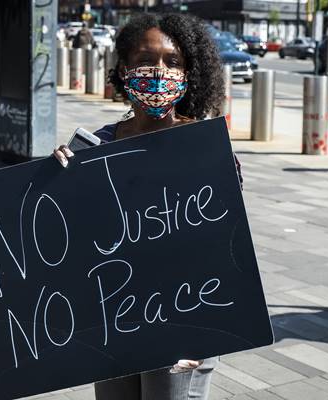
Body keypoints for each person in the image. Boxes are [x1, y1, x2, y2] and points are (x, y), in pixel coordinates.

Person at [54, 13, 242, 400]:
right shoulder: (99, 146)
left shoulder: (206, 148)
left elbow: (223, 246)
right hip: (114, 320)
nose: (159, 72)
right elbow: (71, 236)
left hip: (181, 322)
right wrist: (55, 182)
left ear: (190, 74)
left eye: (172, 63)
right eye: (145, 59)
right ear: (124, 70)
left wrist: (203, 329)